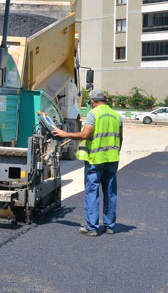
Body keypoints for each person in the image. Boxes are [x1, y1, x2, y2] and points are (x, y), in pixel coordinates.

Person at [52, 89, 122, 236]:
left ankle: (92, 227)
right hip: (112, 159)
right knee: (110, 192)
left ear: (92, 101)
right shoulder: (116, 116)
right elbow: (120, 138)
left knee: (92, 192)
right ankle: (109, 225)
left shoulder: (94, 114)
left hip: (95, 160)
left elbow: (85, 134)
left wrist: (65, 134)